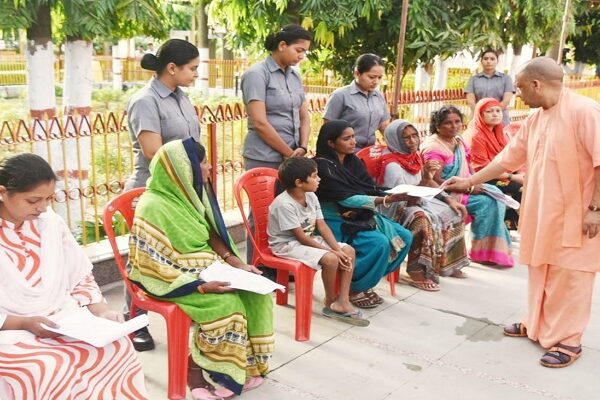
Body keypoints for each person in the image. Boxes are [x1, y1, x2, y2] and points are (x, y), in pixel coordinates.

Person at [444, 57, 600, 368]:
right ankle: (537, 324)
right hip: (543, 209)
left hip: (579, 213)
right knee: (541, 267)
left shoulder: (585, 112)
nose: (516, 94)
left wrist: (595, 209)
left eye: (519, 87)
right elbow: (507, 159)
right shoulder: (535, 118)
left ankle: (569, 338)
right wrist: (470, 182)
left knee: (570, 275)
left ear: (536, 85)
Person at [128, 138, 273, 398]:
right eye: (203, 163)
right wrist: (201, 286)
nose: (208, 168)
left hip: (206, 266)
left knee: (258, 295)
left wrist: (237, 264)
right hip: (170, 276)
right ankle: (193, 373)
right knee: (226, 307)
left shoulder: (189, 194)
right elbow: (150, 262)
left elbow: (210, 235)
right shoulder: (152, 205)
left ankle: (247, 367)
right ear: (183, 169)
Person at [0, 153, 147, 400]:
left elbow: (80, 277)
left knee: (118, 347)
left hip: (64, 321)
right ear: (2, 192)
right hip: (11, 330)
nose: (42, 207)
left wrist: (101, 312)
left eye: (48, 199)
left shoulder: (50, 223)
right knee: (48, 368)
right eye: (33, 200)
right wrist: (25, 323)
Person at [125, 38, 201, 350]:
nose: (196, 74)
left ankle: (184, 306)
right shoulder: (146, 101)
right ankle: (135, 322)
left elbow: (191, 142)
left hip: (182, 188)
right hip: (152, 189)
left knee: (177, 253)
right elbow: (154, 152)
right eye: (192, 68)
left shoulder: (181, 97)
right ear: (172, 68)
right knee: (143, 258)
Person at [314, 120, 413, 309]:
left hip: (358, 216)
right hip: (333, 221)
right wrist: (386, 200)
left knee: (405, 237)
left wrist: (392, 193)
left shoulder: (353, 162)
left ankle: (365, 282)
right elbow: (346, 199)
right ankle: (354, 287)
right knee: (379, 243)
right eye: (346, 138)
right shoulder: (322, 167)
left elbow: (369, 187)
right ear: (330, 143)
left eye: (353, 136)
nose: (353, 141)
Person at [363, 119, 470, 291]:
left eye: (415, 136)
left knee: (453, 211)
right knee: (421, 219)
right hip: (392, 208)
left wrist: (449, 199)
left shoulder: (413, 157)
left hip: (416, 200)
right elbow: (402, 198)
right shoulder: (392, 165)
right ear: (396, 140)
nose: (413, 141)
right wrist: (426, 179)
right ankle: (416, 270)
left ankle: (446, 263)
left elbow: (427, 187)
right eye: (406, 138)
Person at [268, 157, 367, 326]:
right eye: (314, 176)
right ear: (299, 182)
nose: (319, 179)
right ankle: (330, 301)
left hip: (308, 239)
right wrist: (333, 252)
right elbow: (300, 237)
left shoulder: (311, 196)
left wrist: (337, 248)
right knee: (331, 259)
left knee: (348, 251)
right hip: (286, 244)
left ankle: (342, 300)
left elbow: (321, 225)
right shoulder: (284, 204)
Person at [421, 106, 514, 268]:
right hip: (446, 192)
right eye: (448, 123)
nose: (454, 126)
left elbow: (468, 169)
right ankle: (482, 252)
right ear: (437, 125)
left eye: (457, 122)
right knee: (487, 203)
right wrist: (469, 188)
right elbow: (436, 181)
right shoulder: (433, 147)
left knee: (496, 194)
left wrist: (474, 183)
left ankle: (491, 250)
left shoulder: (458, 141)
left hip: (465, 185)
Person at [241, 24, 312, 171]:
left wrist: (303, 147)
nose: (301, 56)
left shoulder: (294, 76)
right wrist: (288, 153)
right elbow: (259, 122)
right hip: (264, 157)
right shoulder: (257, 74)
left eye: (304, 52)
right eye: (298, 50)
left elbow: (304, 116)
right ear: (282, 45)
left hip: (293, 156)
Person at [463, 97, 524, 229]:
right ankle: (508, 226)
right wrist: (512, 177)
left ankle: (514, 226)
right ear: (480, 114)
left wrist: (518, 173)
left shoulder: (499, 132)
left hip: (501, 174)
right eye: (489, 111)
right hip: (484, 178)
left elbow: (510, 157)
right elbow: (481, 168)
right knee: (520, 189)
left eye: (498, 110)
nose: (495, 114)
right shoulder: (475, 135)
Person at [323, 53, 390, 150]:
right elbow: (328, 129)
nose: (376, 81)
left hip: (369, 152)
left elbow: (384, 126)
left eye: (379, 77)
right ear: (357, 73)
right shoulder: (340, 95)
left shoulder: (379, 96)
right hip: (344, 153)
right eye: (371, 77)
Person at [465, 48, 515, 126]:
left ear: (497, 61)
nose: (488, 61)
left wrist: (493, 114)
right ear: (481, 61)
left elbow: (506, 101)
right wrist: (481, 114)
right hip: (479, 118)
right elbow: (471, 101)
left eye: (492, 59)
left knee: (500, 138)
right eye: (485, 59)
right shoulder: (474, 79)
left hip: (500, 119)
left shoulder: (506, 78)